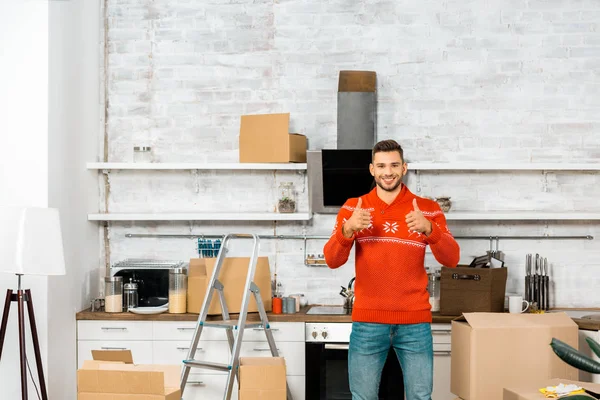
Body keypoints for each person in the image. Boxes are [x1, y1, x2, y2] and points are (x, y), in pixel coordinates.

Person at [323, 139, 460, 400]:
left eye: (394, 165)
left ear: (404, 168)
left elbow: (452, 259)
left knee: (421, 398)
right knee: (362, 398)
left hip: (415, 322)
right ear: (372, 169)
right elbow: (332, 260)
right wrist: (348, 229)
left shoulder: (428, 209)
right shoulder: (353, 208)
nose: (388, 172)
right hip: (368, 322)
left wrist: (430, 230)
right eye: (382, 166)